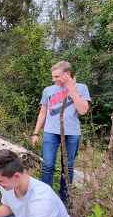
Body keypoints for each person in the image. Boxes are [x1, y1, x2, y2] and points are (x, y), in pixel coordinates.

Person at [31, 61, 90, 204]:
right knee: (47, 166)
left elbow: (83, 110)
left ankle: (65, 201)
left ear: (67, 74)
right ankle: (45, 200)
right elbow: (43, 113)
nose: (54, 80)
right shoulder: (48, 90)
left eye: (57, 76)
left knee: (68, 167)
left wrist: (71, 88)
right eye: (53, 77)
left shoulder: (81, 88)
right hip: (51, 132)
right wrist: (36, 133)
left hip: (72, 133)